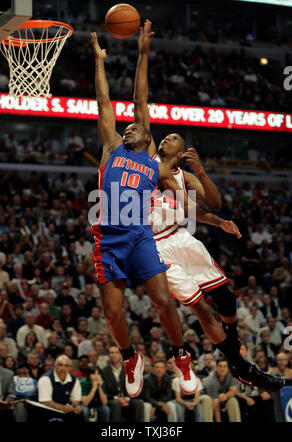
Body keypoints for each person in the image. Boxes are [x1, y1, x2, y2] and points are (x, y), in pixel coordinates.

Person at [132, 20, 285, 394]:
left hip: (183, 236)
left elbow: (209, 204)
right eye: (164, 135)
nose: (166, 136)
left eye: (174, 136)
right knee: (201, 309)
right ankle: (243, 366)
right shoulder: (149, 162)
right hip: (156, 246)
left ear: (181, 151)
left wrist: (215, 212)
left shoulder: (184, 176)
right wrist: (143, 54)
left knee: (227, 296)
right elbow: (140, 104)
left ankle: (233, 345)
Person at [90, 31, 243, 399]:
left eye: (135, 128)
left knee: (162, 301)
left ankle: (181, 355)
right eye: (125, 127)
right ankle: (130, 359)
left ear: (146, 137)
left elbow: (140, 99)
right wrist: (99, 61)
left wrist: (143, 54)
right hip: (108, 238)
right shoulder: (111, 148)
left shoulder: (154, 165)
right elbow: (104, 100)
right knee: (112, 312)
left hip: (141, 237)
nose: (128, 127)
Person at [101, 346, 144, 422]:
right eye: (112, 352)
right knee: (116, 404)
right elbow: (103, 391)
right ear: (109, 355)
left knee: (138, 403)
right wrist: (116, 398)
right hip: (111, 400)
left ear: (121, 355)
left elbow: (133, 387)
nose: (114, 355)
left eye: (117, 352)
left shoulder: (128, 369)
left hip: (126, 399)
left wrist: (127, 398)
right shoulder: (103, 372)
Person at [37, 355, 84, 422]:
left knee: (79, 413)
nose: (63, 368)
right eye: (60, 365)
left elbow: (75, 399)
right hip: (46, 410)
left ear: (69, 368)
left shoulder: (74, 379)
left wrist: (75, 406)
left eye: (66, 366)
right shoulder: (46, 379)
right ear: (55, 367)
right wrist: (62, 407)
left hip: (63, 409)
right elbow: (45, 402)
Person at [202, 358, 241, 422]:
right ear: (216, 367)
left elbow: (233, 390)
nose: (222, 369)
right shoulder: (211, 381)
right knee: (207, 399)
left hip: (219, 399)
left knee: (232, 400)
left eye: (225, 366)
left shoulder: (230, 375)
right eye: (220, 366)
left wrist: (226, 395)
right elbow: (216, 405)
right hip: (205, 398)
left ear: (228, 368)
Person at [0, 349, 15, 422]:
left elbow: (11, 392)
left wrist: (9, 398)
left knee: (19, 406)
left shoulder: (8, 373)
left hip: (3, 402)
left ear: (0, 356)